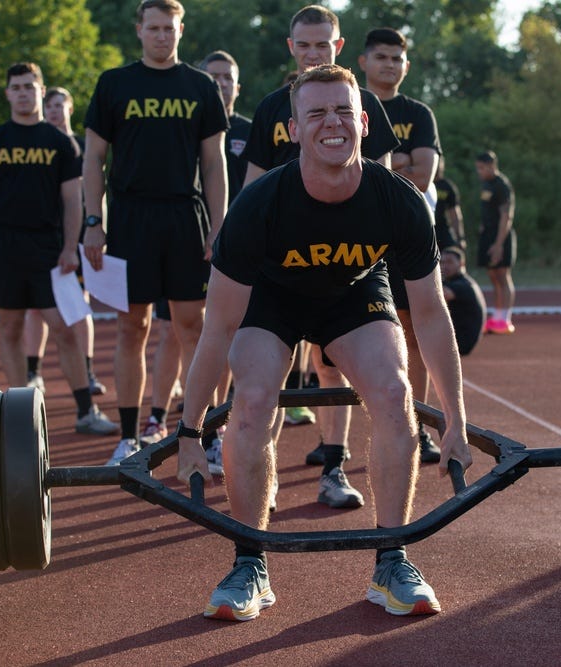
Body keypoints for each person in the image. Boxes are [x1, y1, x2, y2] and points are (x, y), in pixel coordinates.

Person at [176, 65, 471, 621]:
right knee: (254, 400)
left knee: (393, 392)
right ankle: (249, 562)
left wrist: (456, 419)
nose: (331, 123)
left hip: (353, 293)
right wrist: (190, 431)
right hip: (274, 296)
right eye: (316, 113)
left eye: (342, 111)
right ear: (293, 129)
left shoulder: (400, 202)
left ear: (363, 122)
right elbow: (216, 328)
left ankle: (392, 560)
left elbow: (431, 316)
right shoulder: (258, 206)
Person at [242, 5, 400, 504]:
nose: (314, 54)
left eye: (323, 45)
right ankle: (261, 477)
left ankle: (333, 470)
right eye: (305, 45)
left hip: (345, 268)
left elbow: (383, 187)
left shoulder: (363, 103)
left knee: (334, 369)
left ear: (338, 45)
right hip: (281, 269)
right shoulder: (272, 108)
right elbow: (250, 191)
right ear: (292, 48)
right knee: (267, 371)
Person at [82, 0, 229, 465]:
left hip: (185, 218)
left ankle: (205, 433)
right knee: (132, 326)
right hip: (129, 219)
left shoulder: (200, 86)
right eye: (154, 28)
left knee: (195, 328)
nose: (162, 35)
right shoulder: (114, 84)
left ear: (181, 30)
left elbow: (214, 162)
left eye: (170, 28)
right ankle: (129, 436)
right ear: (139, 31)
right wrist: (92, 222)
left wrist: (219, 224)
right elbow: (92, 159)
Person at [0, 62, 118, 437]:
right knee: (10, 327)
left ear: (40, 90)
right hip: (3, 247)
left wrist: (71, 247)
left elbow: (72, 202)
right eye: (16, 87)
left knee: (65, 329)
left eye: (29, 86)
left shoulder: (60, 143)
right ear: (8, 93)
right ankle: (18, 412)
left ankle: (86, 410)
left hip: (49, 250)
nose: (23, 92)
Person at [140, 50, 248, 467]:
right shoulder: (181, 125)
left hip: (237, 248)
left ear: (237, 86)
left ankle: (215, 424)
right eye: (212, 76)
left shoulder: (250, 131)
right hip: (187, 237)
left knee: (225, 332)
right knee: (171, 329)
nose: (219, 83)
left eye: (227, 77)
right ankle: (156, 416)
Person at [358, 27, 443, 464]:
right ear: (364, 62)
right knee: (344, 340)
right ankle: (338, 442)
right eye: (382, 57)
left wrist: (383, 168)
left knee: (414, 335)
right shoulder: (349, 103)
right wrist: (400, 162)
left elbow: (424, 177)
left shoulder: (418, 113)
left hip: (408, 236)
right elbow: (347, 174)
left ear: (405, 66)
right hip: (360, 239)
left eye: (397, 58)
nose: (390, 64)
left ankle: (421, 425)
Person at [23, 86, 107, 397]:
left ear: (70, 109)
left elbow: (97, 194)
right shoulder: (39, 144)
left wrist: (95, 229)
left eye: (60, 105)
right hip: (46, 238)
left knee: (78, 305)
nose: (55, 110)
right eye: (50, 106)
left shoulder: (84, 148)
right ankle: (33, 371)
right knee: (35, 308)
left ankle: (86, 371)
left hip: (81, 236)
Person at [475, 150, 516, 334]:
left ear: (492, 166)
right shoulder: (486, 184)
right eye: (478, 168)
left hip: (501, 236)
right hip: (488, 235)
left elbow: (506, 216)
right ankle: (497, 316)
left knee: (502, 275)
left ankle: (505, 319)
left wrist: (499, 244)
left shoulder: (502, 185)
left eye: (482, 168)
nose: (480, 171)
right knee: (492, 275)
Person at [440, 246, 486, 356]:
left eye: (450, 262)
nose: (445, 266)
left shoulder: (463, 285)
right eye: (442, 262)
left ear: (461, 263)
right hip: (459, 339)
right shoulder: (457, 281)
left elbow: (442, 294)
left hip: (462, 342)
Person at [433, 156, 465, 250]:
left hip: (442, 230)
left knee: (452, 253)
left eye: (440, 163)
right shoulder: (421, 183)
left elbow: (455, 214)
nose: (438, 167)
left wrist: (460, 238)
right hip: (424, 229)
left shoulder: (447, 187)